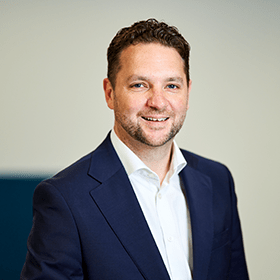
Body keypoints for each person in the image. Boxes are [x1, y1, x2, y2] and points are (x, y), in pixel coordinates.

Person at [21, 19, 249, 280]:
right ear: (110, 93)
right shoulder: (65, 198)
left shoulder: (217, 180)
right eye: (139, 84)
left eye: (172, 85)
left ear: (188, 92)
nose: (158, 102)